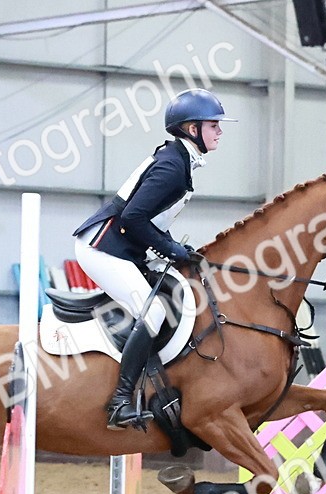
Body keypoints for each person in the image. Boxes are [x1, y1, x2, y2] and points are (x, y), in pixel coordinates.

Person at [72, 88, 234, 430]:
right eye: (213, 125)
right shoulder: (173, 166)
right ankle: (119, 402)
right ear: (192, 129)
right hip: (103, 248)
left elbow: (152, 220)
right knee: (155, 310)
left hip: (125, 247)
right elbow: (133, 218)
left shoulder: (180, 159)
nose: (220, 131)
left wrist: (179, 249)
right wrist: (172, 250)